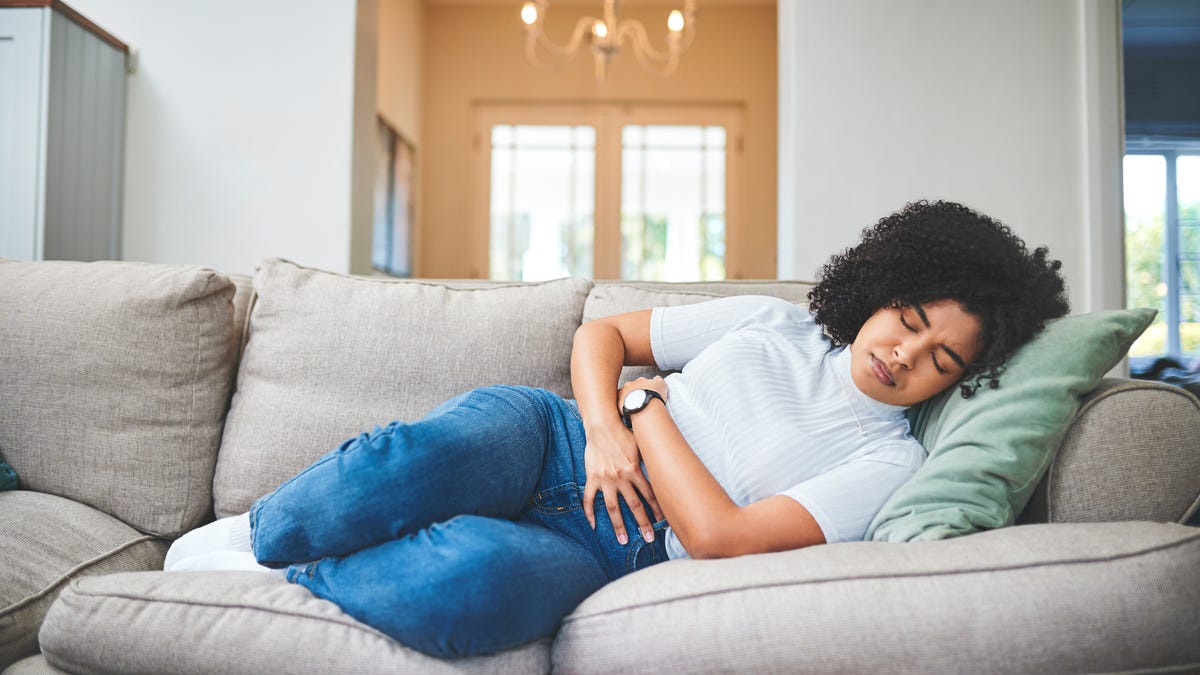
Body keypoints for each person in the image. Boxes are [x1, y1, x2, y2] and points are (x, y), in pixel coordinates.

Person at [164, 200, 1069, 659]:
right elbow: (604, 335)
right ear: (883, 291)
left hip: (622, 546)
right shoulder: (775, 321)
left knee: (474, 588)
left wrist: (647, 408)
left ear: (961, 380)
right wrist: (608, 419)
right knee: (426, 455)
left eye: (943, 360)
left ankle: (305, 574)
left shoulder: (887, 459)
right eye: (909, 317)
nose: (907, 355)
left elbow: (719, 535)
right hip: (557, 436)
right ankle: (259, 536)